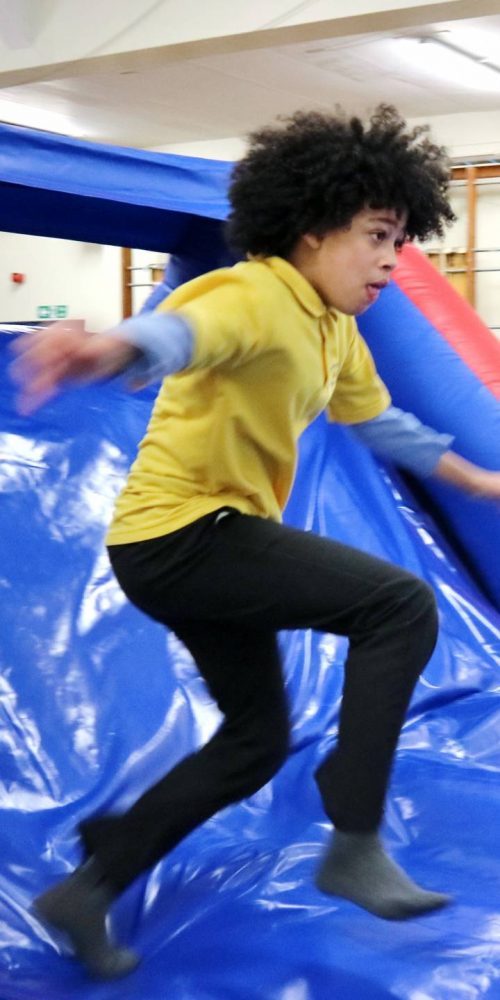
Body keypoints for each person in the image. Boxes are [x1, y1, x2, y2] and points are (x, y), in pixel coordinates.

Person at [11, 105, 500, 981]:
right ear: (312, 230)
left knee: (255, 739)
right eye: (376, 235)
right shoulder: (256, 292)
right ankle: (354, 831)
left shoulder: (333, 329)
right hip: (184, 534)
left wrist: (481, 481)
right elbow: (177, 333)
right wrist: (103, 351)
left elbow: (379, 421)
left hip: (196, 543)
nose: (393, 259)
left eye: (401, 241)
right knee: (399, 604)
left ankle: (93, 881)